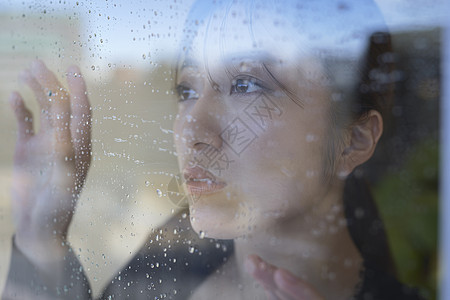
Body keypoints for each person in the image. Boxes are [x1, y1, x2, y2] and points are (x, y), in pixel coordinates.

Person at [3, 0, 424, 299]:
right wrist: (42, 237)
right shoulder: (166, 268)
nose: (190, 132)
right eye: (186, 90)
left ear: (355, 139)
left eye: (247, 85)